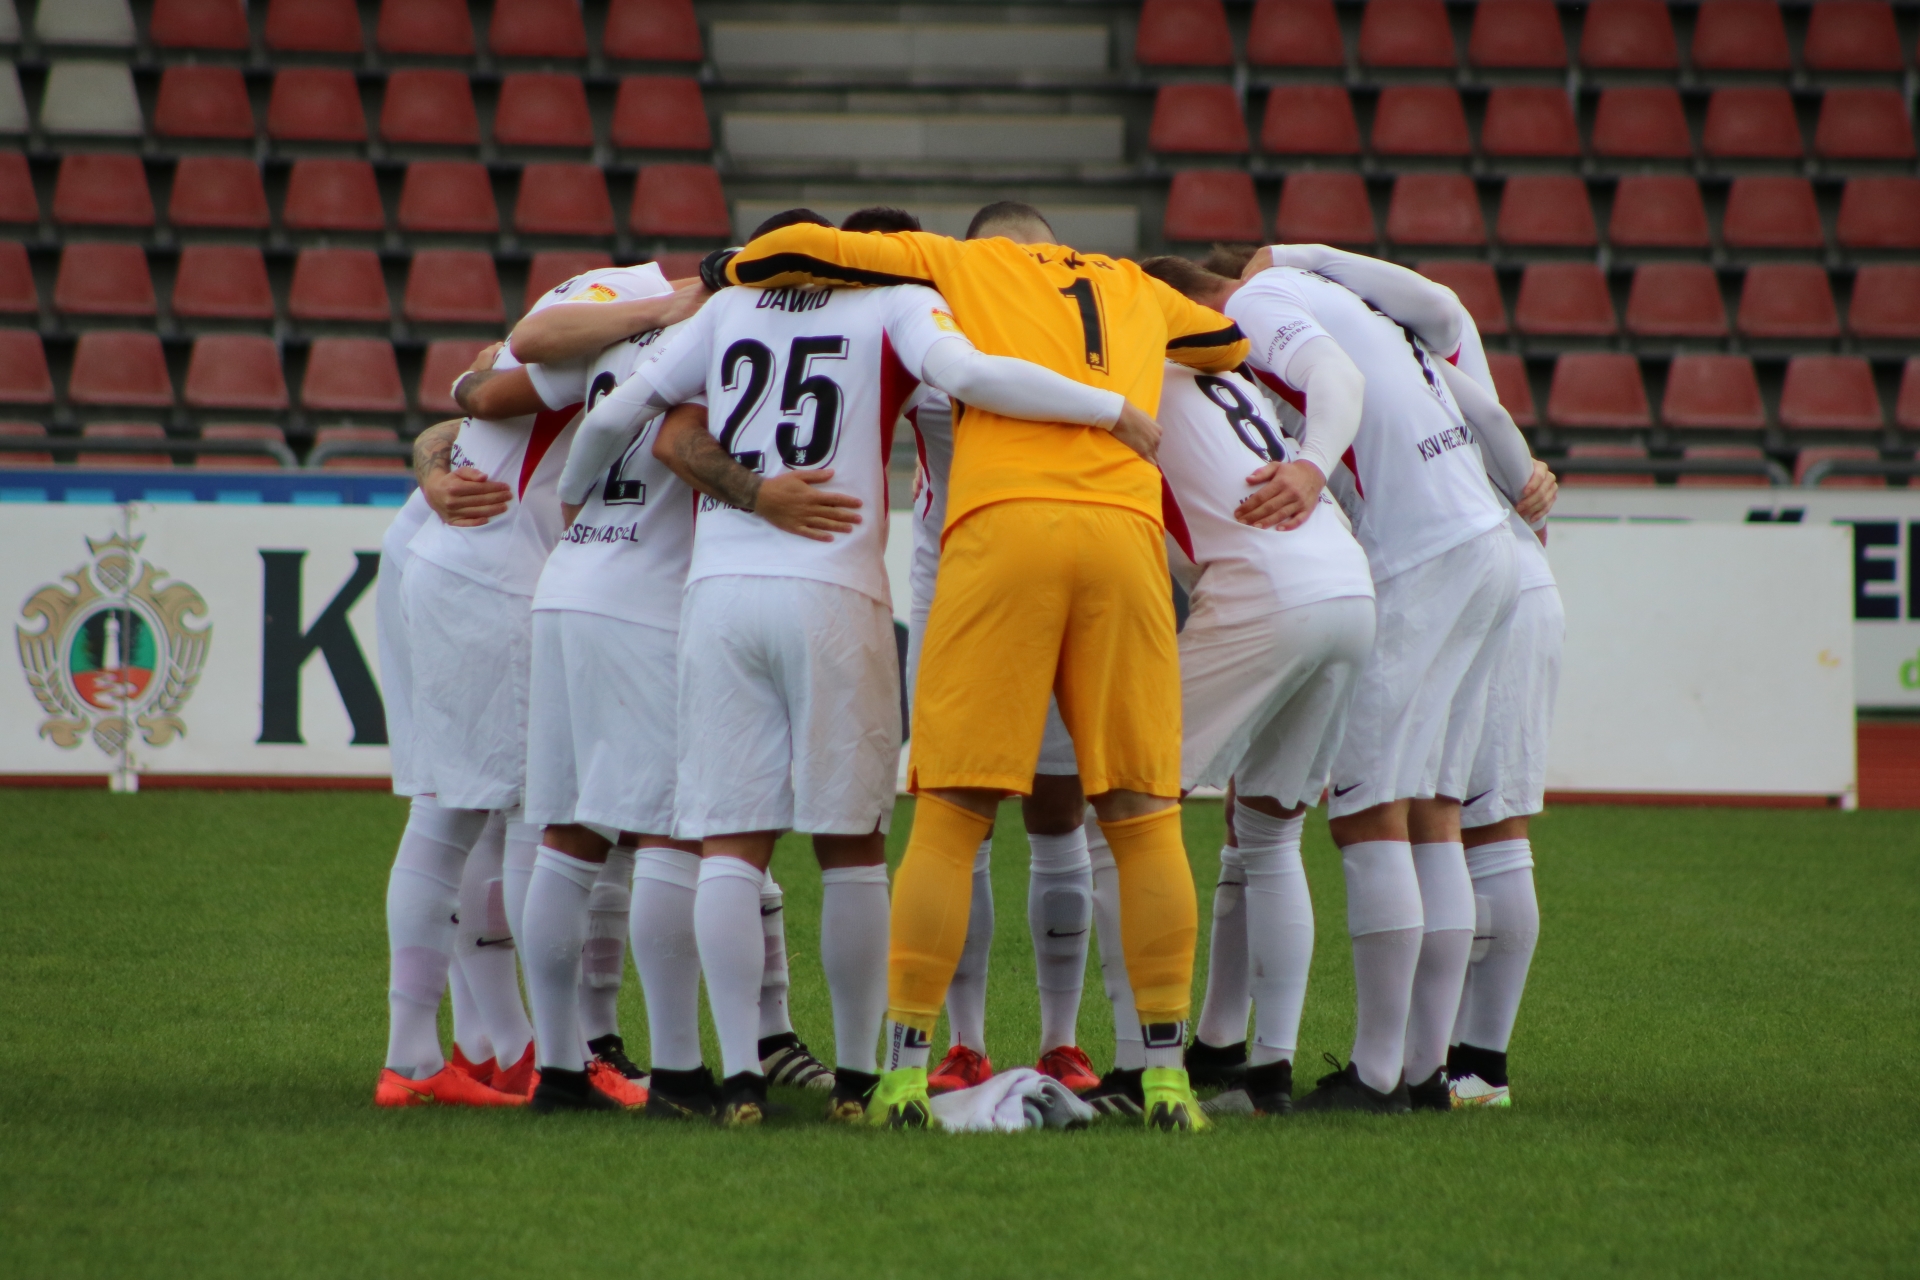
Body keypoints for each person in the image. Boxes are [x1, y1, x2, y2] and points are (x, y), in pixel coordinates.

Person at [577, 208, 1152, 1126]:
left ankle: (736, 1078)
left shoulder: (729, 308)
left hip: (720, 593)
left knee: (727, 843)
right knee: (852, 849)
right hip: (835, 587)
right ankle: (855, 1079)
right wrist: (1109, 407)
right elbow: (969, 374)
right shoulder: (894, 302)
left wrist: (571, 502)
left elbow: (621, 414)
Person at [712, 201, 1249, 1131]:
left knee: (954, 815)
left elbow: (788, 251)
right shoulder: (1131, 282)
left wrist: (723, 272)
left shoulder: (956, 265)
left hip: (1001, 530)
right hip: (1125, 537)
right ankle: (1165, 1080)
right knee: (1142, 814)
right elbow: (1228, 343)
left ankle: (905, 1076)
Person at [1145, 253, 1541, 1113]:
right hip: (1486, 540)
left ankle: (1376, 1075)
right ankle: (1425, 1070)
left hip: (1416, 556)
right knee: (1434, 808)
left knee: (1368, 813)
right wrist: (1523, 480)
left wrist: (1311, 464)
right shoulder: (1351, 308)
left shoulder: (1260, 301)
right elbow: (1478, 403)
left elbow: (1338, 379)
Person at [373, 265, 693, 1105]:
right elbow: (504, 370)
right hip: (495, 575)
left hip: (461, 565)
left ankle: (460, 1049)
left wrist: (444, 433)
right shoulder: (645, 314)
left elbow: (480, 387)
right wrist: (671, 305)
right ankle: (533, 1054)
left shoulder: (604, 300)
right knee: (513, 818)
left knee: (462, 815)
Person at [1073, 324, 1378, 1116]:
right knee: (1271, 832)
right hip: (1349, 586)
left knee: (1125, 811)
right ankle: (1268, 1070)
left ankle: (1137, 1062)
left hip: (1263, 592)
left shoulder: (1129, 373)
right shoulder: (1230, 376)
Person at [848, 207, 1098, 1098]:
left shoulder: (1092, 330)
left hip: (1061, 580)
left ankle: (1063, 1042)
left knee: (1060, 811)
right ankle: (965, 1043)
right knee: (961, 815)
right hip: (953, 589)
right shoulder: (927, 328)